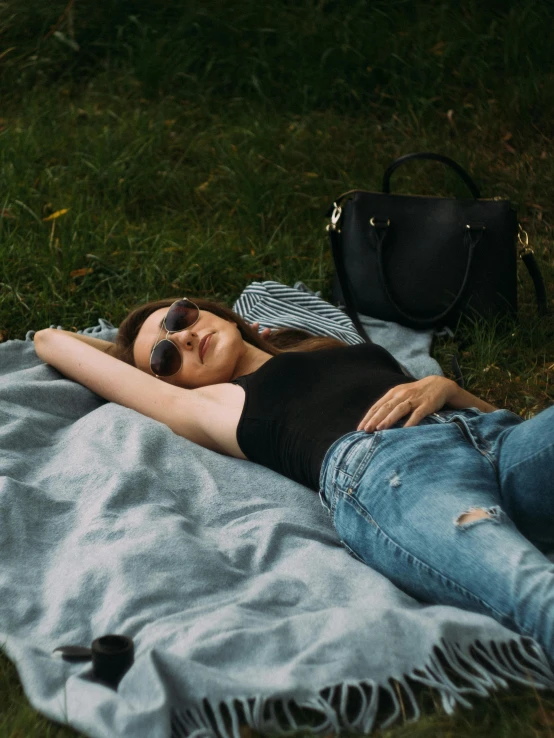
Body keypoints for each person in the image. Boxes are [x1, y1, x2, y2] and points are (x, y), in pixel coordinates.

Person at [34, 296, 554, 667]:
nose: (186, 335)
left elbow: (505, 418)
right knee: (534, 592)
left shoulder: (329, 348)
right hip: (393, 474)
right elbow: (49, 340)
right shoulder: (209, 406)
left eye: (178, 316)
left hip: (489, 437)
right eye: (166, 356)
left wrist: (445, 387)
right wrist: (129, 356)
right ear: (163, 384)